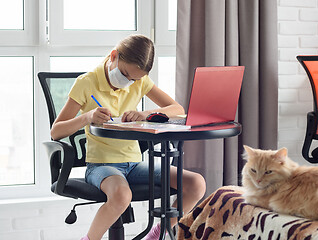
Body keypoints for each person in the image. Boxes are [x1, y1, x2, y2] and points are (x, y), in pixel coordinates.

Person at [50, 34, 206, 240]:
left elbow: (177, 109)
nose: (128, 82)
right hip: (101, 166)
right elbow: (56, 131)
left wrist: (145, 114)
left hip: (135, 164)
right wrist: (87, 116)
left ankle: (157, 234)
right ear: (113, 56)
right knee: (123, 195)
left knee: (196, 183)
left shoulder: (139, 83)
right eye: (124, 74)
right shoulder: (86, 83)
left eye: (134, 79)